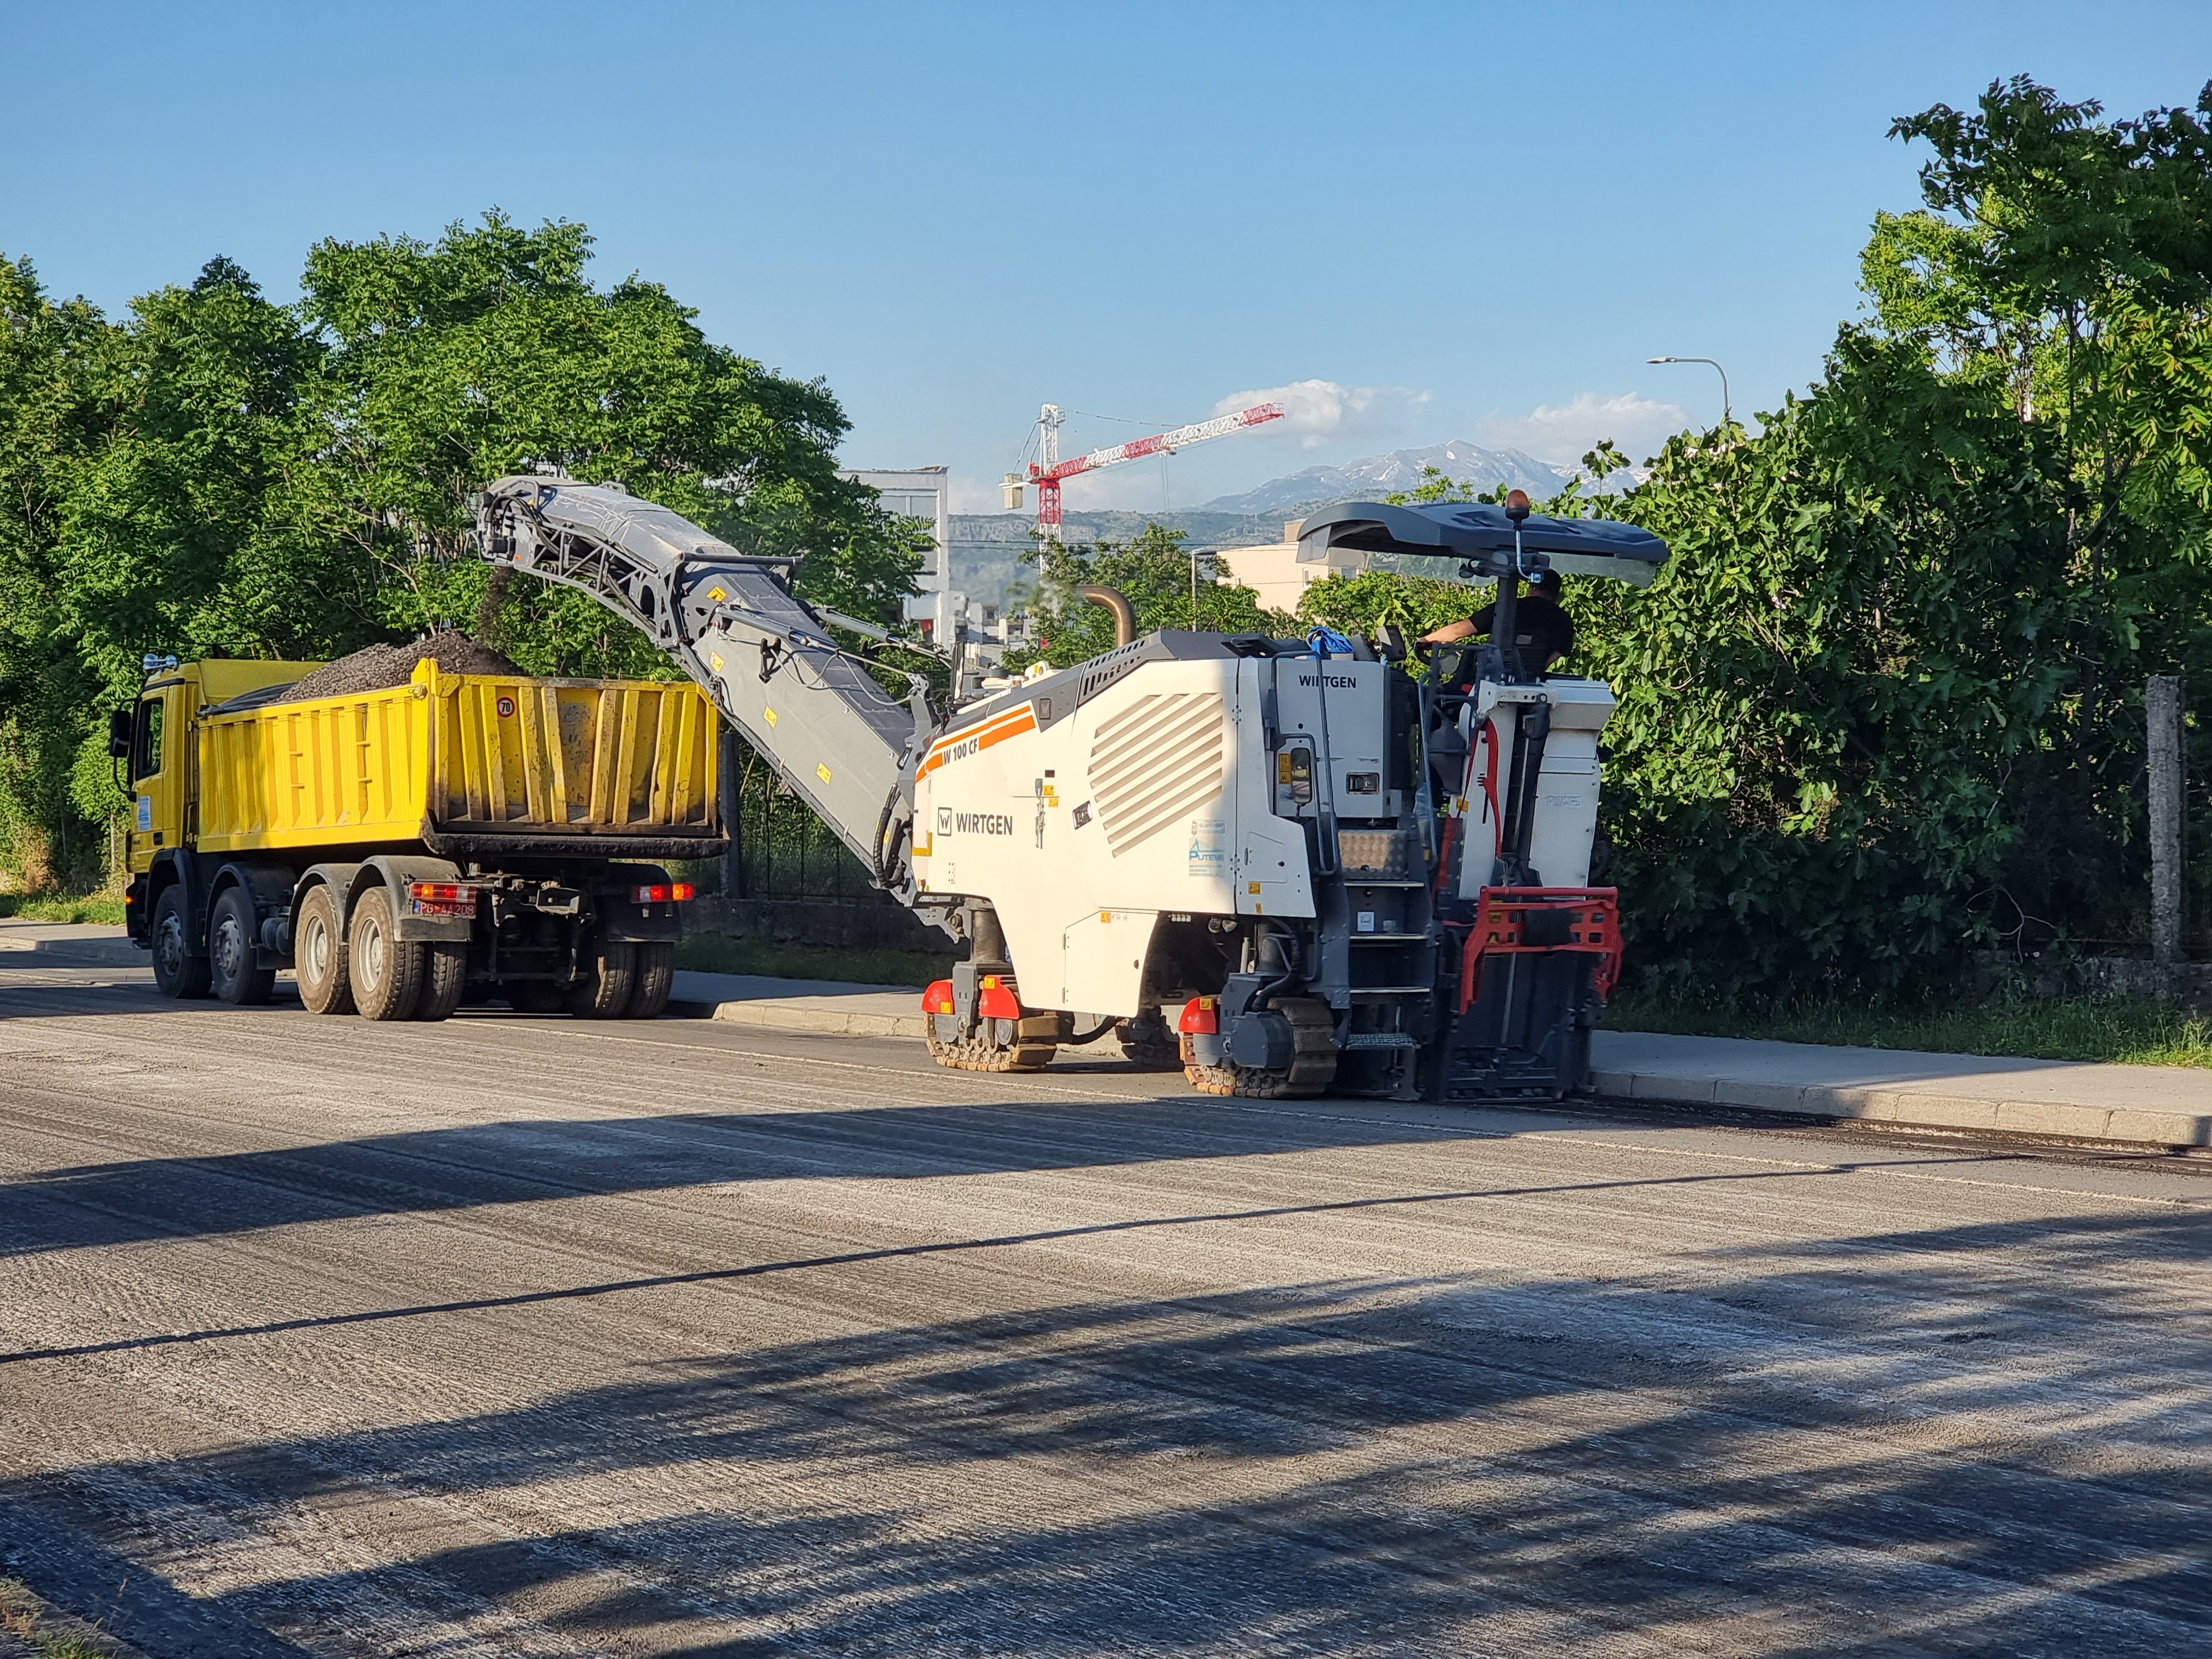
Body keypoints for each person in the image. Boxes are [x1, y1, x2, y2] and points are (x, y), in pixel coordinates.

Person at [1420, 568, 1575, 675]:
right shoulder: (1565, 620)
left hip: (1490, 682)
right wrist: (1528, 675)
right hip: (1531, 690)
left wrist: (1427, 640)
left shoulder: (1509, 608)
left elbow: (1461, 630)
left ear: (1533, 588)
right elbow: (1554, 656)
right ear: (1557, 594)